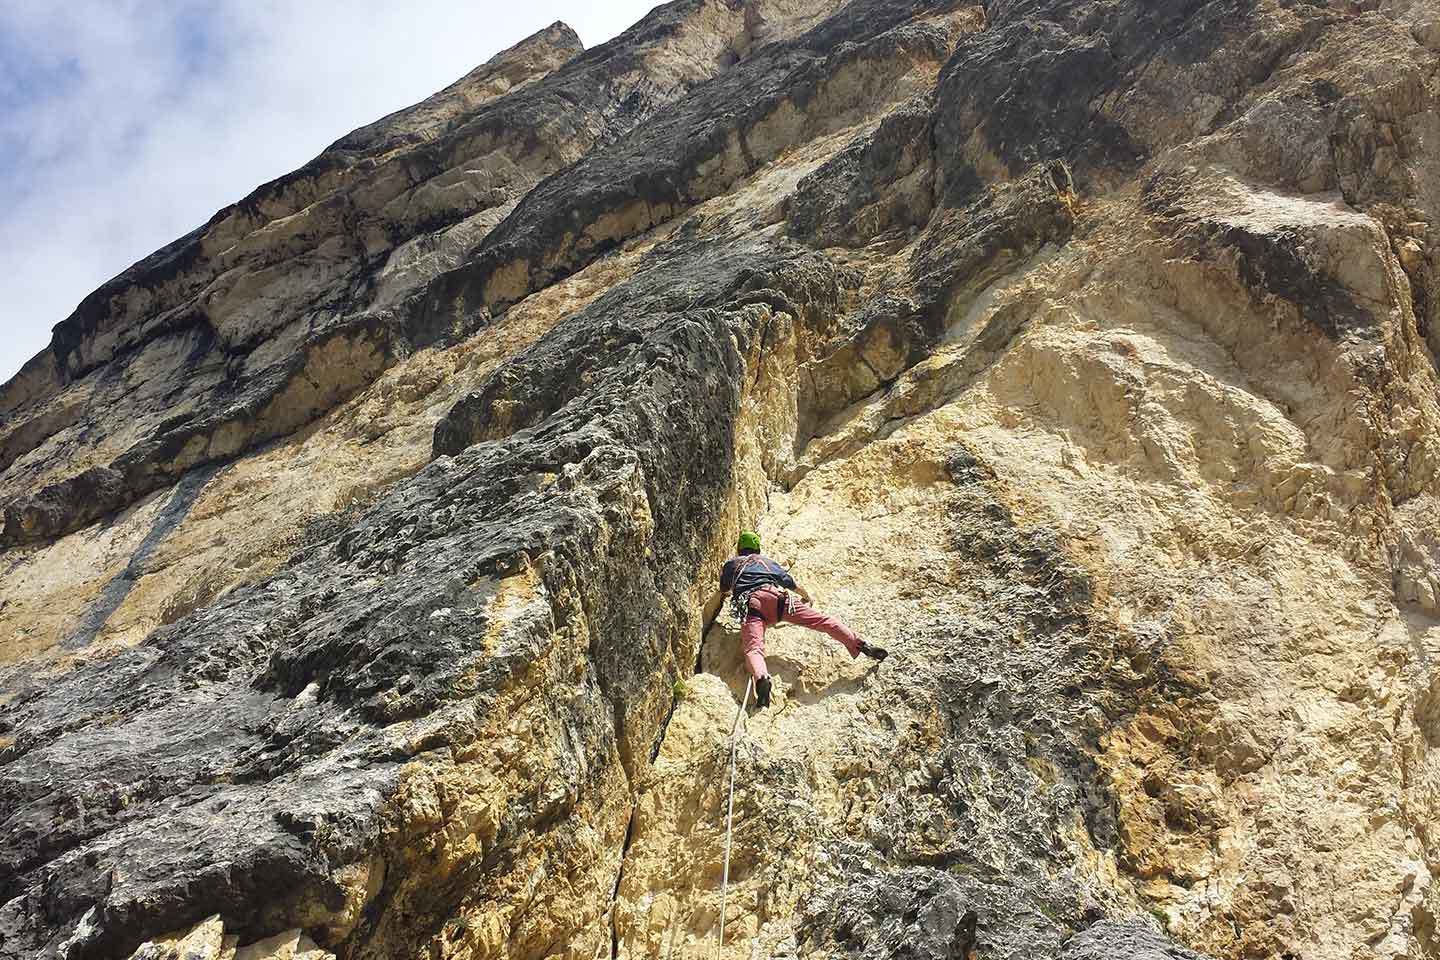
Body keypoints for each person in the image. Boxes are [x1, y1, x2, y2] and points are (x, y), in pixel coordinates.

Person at [703, 531, 887, 709]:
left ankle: (762, 678)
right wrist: (806, 596)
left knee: (753, 649)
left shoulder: (731, 565)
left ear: (738, 548)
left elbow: (725, 589)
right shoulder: (766, 562)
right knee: (823, 622)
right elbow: (788, 581)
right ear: (757, 549)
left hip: (753, 606)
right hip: (779, 600)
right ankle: (861, 644)